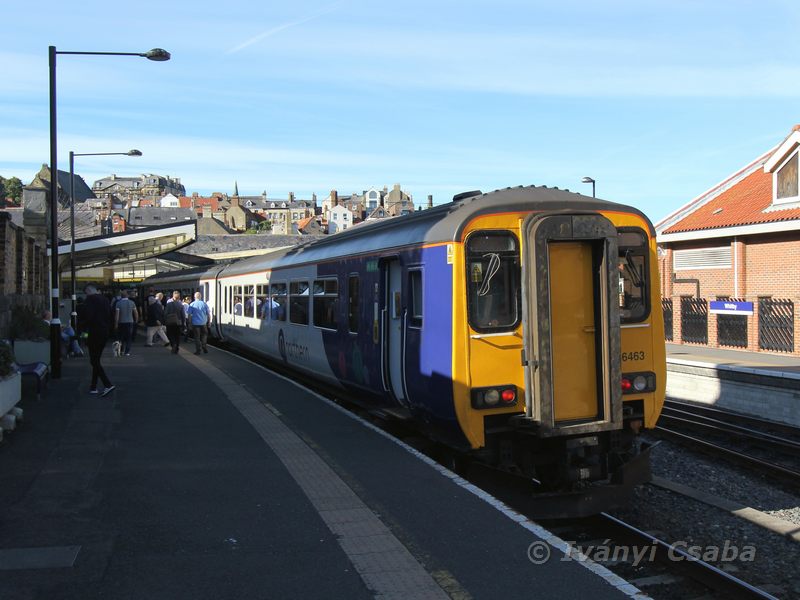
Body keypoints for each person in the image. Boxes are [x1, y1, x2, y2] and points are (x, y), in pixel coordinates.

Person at [83, 284, 115, 396]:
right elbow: (111, 315)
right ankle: (93, 386)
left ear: (88, 291)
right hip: (104, 332)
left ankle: (108, 384)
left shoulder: (90, 300)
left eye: (85, 293)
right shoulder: (105, 300)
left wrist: (82, 329)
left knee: (94, 360)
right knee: (96, 360)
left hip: (94, 332)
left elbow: (88, 317)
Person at [114, 291, 138, 356]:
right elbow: (136, 313)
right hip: (130, 322)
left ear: (121, 296)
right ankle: (127, 352)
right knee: (129, 337)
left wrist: (116, 324)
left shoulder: (118, 303)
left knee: (121, 337)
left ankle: (121, 350)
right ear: (127, 295)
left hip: (121, 322)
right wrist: (136, 320)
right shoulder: (132, 302)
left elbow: (117, 315)